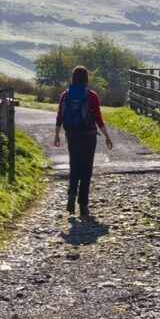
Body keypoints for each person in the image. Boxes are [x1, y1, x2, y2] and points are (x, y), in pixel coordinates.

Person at [54, 65, 113, 217]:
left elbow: (60, 116)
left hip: (71, 134)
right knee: (86, 169)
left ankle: (72, 193)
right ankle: (83, 205)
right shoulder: (92, 96)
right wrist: (107, 136)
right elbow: (99, 119)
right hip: (88, 135)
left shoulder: (65, 95)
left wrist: (57, 135)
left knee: (74, 165)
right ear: (86, 79)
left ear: (73, 78)